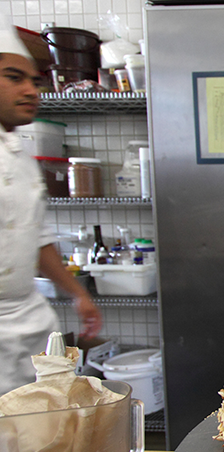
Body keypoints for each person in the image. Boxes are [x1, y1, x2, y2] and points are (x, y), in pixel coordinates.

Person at [0, 15, 102, 395]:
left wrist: (78, 294)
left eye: (35, 81)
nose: (30, 90)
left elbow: (37, 238)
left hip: (27, 322)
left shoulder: (21, 159)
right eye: (14, 77)